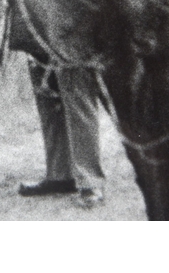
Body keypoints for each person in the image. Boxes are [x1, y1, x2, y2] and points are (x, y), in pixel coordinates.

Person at [19, 53, 105, 207]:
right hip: (39, 34)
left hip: (72, 38)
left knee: (77, 91)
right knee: (47, 94)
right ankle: (60, 175)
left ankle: (90, 182)